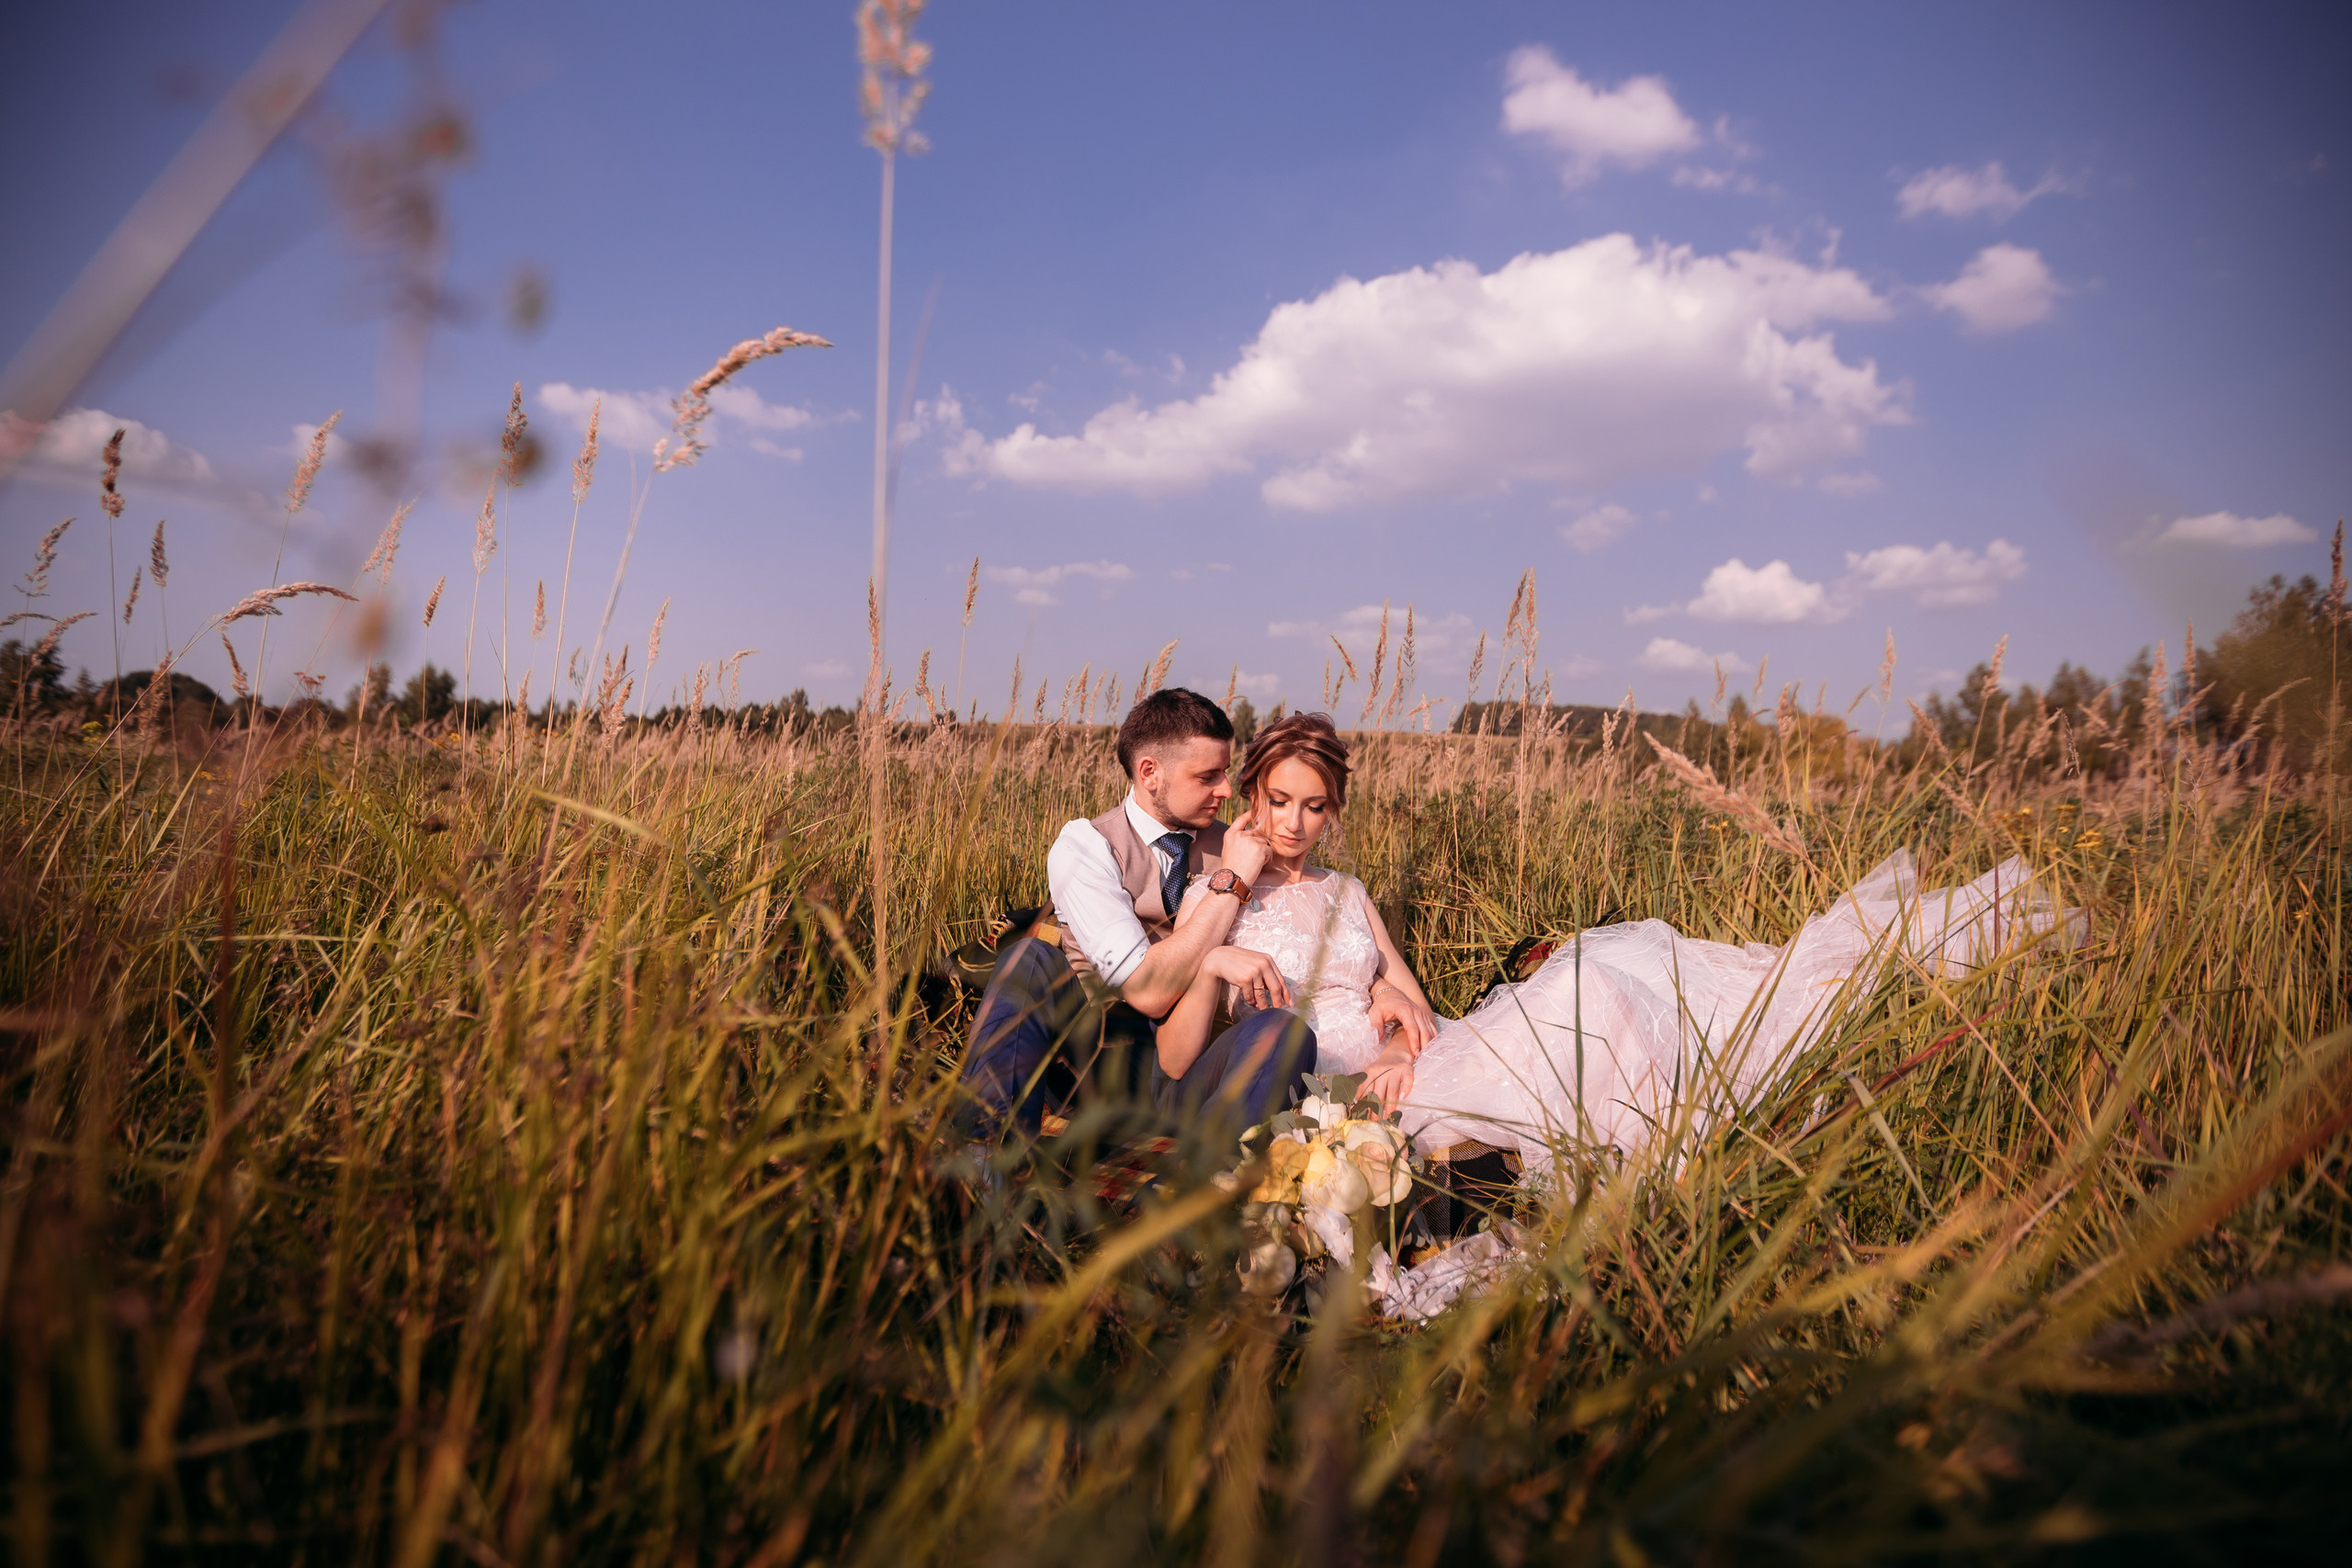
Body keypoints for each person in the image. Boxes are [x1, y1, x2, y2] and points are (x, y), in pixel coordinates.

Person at [1159, 712, 2084, 1173]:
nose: (1295, 824)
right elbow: (1175, 1036)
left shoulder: (1350, 892)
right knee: (1585, 1002)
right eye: (1277, 801)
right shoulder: (1218, 883)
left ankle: (1684, 1123)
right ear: (1249, 795)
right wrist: (1224, 906)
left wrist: (1400, 1030)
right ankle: (1653, 1154)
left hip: (1407, 1071)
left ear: (1334, 812)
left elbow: (1411, 1004)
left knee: (1601, 976)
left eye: (1314, 807)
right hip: (1327, 1093)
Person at [961, 688, 1331, 1137]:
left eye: (1226, 772)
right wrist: (1231, 880)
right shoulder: (1086, 847)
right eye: (1207, 776)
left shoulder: (1241, 844)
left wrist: (1384, 987)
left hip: (1196, 1069)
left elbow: (1320, 915)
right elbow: (1149, 991)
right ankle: (986, 1160)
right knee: (1029, 961)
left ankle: (1208, 1181)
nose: (1226, 790)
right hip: (1092, 1064)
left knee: (1283, 1033)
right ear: (1150, 773)